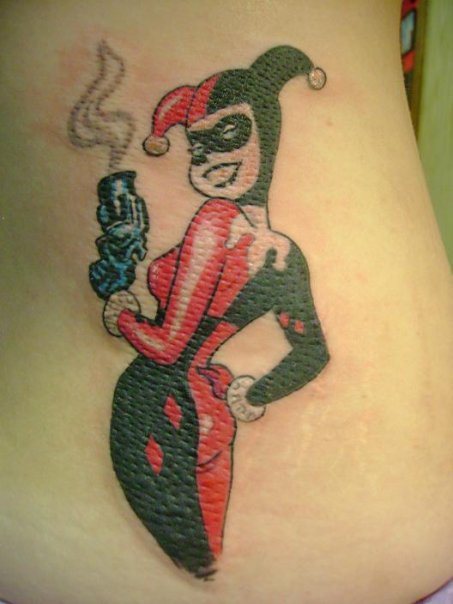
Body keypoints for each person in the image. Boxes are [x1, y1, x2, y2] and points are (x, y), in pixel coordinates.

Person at [0, 1, 452, 603]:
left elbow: (169, 346)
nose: (206, 160)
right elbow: (311, 353)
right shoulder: (282, 253)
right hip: (411, 529)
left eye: (226, 137)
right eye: (197, 146)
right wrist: (252, 392)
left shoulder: (217, 224)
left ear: (263, 129)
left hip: (153, 434)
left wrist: (123, 315)